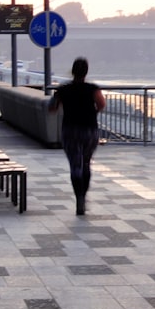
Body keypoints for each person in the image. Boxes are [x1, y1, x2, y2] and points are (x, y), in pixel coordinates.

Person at [48, 57, 106, 215]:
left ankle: (78, 198)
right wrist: (92, 112)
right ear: (86, 72)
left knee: (75, 165)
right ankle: (84, 195)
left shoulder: (63, 90)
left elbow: (52, 108)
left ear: (72, 71)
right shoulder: (93, 89)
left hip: (70, 130)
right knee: (86, 163)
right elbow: (101, 104)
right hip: (89, 130)